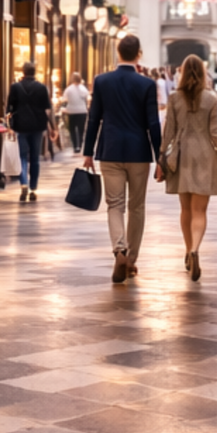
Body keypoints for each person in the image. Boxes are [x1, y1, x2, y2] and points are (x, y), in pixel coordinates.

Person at [84, 34, 162, 283]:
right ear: (139, 54)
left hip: (110, 150)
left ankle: (120, 250)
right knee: (137, 207)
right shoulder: (146, 84)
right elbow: (153, 123)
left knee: (115, 205)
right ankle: (131, 260)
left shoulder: (102, 81)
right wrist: (160, 157)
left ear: (118, 52)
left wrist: (88, 151)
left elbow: (94, 118)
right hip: (139, 153)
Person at [157, 54, 217, 281]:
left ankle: (188, 250)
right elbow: (215, 132)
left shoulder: (174, 97)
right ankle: (197, 248)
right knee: (200, 211)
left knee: (185, 209)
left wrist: (161, 157)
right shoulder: (211, 98)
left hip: (181, 155)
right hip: (205, 154)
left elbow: (168, 130)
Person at [5, 61, 52, 202]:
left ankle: (23, 183)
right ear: (34, 72)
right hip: (38, 125)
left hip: (21, 125)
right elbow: (47, 109)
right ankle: (33, 188)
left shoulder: (15, 87)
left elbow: (9, 109)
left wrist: (9, 126)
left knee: (22, 157)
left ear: (23, 72)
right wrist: (52, 128)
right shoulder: (42, 88)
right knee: (35, 158)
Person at [62, 72, 90, 152]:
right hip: (82, 111)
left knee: (72, 129)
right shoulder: (83, 88)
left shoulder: (69, 89)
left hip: (71, 111)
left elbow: (65, 99)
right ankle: (80, 145)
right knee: (81, 129)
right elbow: (87, 99)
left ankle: (75, 146)